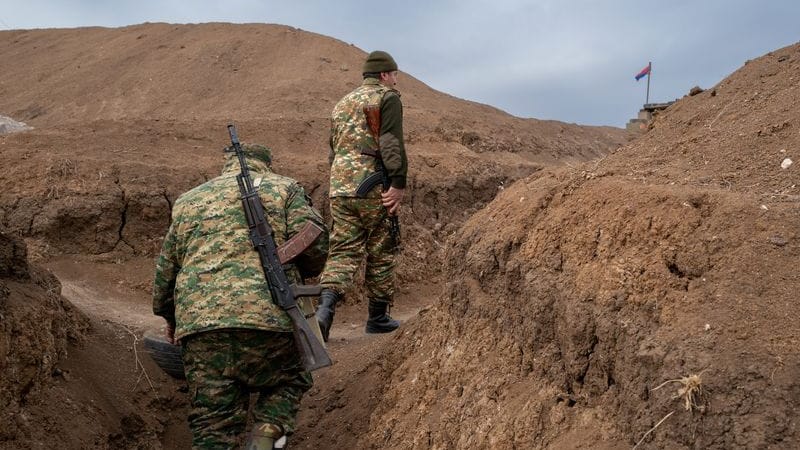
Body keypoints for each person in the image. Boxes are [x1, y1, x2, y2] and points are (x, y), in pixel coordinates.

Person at [152, 143, 329, 449]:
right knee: (289, 380)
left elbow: (165, 275)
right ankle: (266, 436)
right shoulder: (285, 189)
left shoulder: (187, 200)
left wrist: (171, 319)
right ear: (266, 164)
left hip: (203, 330)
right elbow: (315, 251)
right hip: (273, 323)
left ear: (226, 164)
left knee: (211, 423)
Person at [315, 50, 407, 340]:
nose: (395, 80)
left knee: (343, 249)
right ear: (383, 75)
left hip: (340, 187)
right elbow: (390, 142)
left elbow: (332, 151)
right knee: (382, 244)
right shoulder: (386, 98)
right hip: (372, 184)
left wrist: (342, 181)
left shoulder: (342, 104)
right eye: (393, 75)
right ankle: (378, 317)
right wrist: (398, 182)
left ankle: (324, 313)